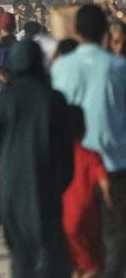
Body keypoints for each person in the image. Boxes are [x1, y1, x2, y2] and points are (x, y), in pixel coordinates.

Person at [0, 39, 74, 278]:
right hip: (47, 183)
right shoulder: (54, 99)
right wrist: (62, 181)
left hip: (12, 185)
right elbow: (67, 145)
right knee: (50, 250)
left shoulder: (4, 99)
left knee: (20, 254)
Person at [51, 5, 126, 277]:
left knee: (76, 229)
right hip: (113, 162)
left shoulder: (61, 68)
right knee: (116, 233)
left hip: (73, 165)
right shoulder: (119, 67)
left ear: (77, 31)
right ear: (106, 32)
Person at [63, 106, 111, 278]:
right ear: (84, 129)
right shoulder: (91, 156)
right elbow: (105, 185)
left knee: (74, 268)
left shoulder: (53, 156)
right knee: (94, 267)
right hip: (85, 221)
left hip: (59, 221)